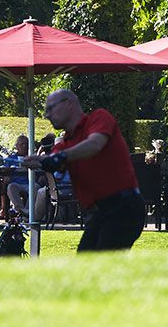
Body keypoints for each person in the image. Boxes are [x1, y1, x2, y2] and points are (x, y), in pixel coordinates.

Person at [23, 89, 143, 252]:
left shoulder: (99, 117)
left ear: (69, 104)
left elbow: (94, 144)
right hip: (98, 212)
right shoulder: (64, 144)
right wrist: (39, 162)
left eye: (50, 108)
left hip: (123, 207)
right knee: (86, 262)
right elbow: (55, 160)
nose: (47, 115)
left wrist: (61, 157)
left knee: (102, 262)